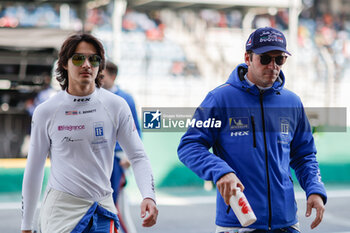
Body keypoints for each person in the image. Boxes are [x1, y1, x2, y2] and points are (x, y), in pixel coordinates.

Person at [178, 27, 326, 233]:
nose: (273, 66)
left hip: (286, 224)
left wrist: (315, 190)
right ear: (247, 58)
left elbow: (305, 155)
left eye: (280, 59)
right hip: (238, 224)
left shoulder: (292, 102)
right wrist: (220, 172)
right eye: (265, 58)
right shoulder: (220, 99)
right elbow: (190, 146)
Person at [21, 33, 158, 233]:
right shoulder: (46, 111)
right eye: (78, 58)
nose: (86, 64)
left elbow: (137, 155)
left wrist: (149, 195)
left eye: (93, 59)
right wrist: (26, 225)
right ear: (65, 64)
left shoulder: (116, 105)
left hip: (102, 209)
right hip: (60, 212)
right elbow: (34, 169)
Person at [101, 60, 142, 233]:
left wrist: (129, 156)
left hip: (117, 159)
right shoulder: (94, 96)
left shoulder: (126, 98)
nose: (99, 79)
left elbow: (136, 130)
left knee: (116, 203)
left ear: (113, 76)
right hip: (100, 158)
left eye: (102, 76)